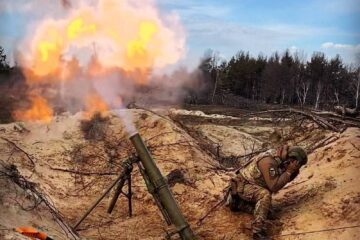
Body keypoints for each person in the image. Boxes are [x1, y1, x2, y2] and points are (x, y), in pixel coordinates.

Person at [226, 145, 307, 240]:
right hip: (242, 185)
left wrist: (291, 172)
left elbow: (281, 180)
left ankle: (239, 204)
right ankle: (257, 231)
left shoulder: (281, 159)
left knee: (268, 213)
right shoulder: (269, 161)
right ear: (291, 158)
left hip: (253, 186)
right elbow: (274, 187)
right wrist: (289, 171)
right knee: (264, 195)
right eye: (296, 163)